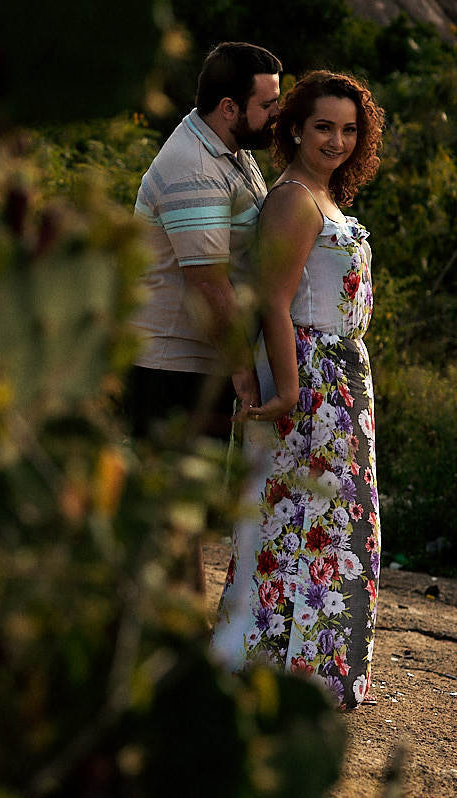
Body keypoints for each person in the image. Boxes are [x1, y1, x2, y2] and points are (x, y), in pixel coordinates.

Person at [211, 71, 385, 710]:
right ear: (294, 129)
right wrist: (286, 390)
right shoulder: (292, 198)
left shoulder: (323, 194)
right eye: (323, 127)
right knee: (296, 520)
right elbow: (275, 303)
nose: (337, 141)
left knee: (331, 522)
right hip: (308, 378)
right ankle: (269, 672)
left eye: (349, 130)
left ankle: (312, 674)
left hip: (341, 378)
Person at [127, 42, 282, 444]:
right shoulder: (194, 167)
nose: (276, 114)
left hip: (202, 363)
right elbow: (208, 283)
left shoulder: (229, 148)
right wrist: (244, 372)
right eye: (267, 105)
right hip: (172, 370)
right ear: (229, 108)